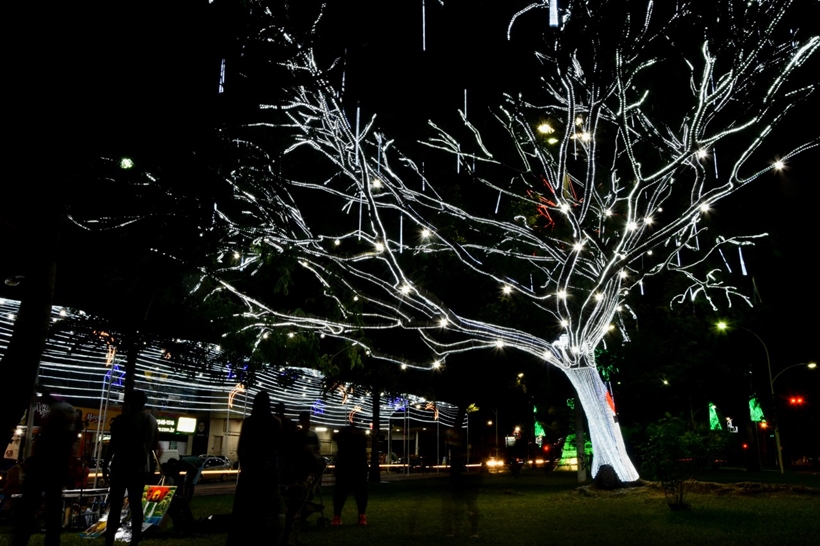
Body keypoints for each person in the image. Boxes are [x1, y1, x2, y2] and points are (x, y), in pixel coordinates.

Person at [12, 391, 77, 546]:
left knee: (33, 507)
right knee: (51, 509)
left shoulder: (52, 433)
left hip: (43, 469)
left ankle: (22, 538)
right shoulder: (67, 431)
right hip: (54, 471)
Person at [103, 390, 160, 546]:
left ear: (129, 403)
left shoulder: (121, 420)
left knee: (115, 505)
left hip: (120, 466)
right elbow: (154, 446)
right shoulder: (152, 421)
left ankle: (109, 539)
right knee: (136, 505)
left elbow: (113, 446)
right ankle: (135, 539)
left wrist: (105, 465)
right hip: (140, 468)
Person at [226, 390, 283, 546]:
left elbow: (240, 448)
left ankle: (246, 535)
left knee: (247, 508)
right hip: (267, 470)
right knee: (266, 507)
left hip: (251, 471)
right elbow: (279, 448)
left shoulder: (249, 422)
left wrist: (246, 464)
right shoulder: (275, 422)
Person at [331, 419, 368, 526]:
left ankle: (337, 516)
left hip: (345, 467)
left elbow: (335, 438)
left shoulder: (343, 435)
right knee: (360, 492)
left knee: (341, 492)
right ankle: (361, 516)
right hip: (357, 467)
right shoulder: (360, 436)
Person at [291, 411, 321, 482]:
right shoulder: (297, 435)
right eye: (306, 420)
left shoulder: (312, 434)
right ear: (301, 421)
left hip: (309, 463)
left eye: (308, 420)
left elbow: (318, 449)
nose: (308, 422)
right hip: (301, 463)